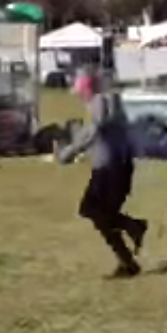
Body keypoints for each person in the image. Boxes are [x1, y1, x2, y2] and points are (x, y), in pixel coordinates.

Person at [58, 66, 147, 279]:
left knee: (93, 210)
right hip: (113, 166)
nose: (78, 94)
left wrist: (69, 151)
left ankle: (134, 228)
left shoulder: (101, 100)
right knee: (99, 214)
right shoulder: (106, 100)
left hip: (112, 168)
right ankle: (128, 261)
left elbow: (94, 130)